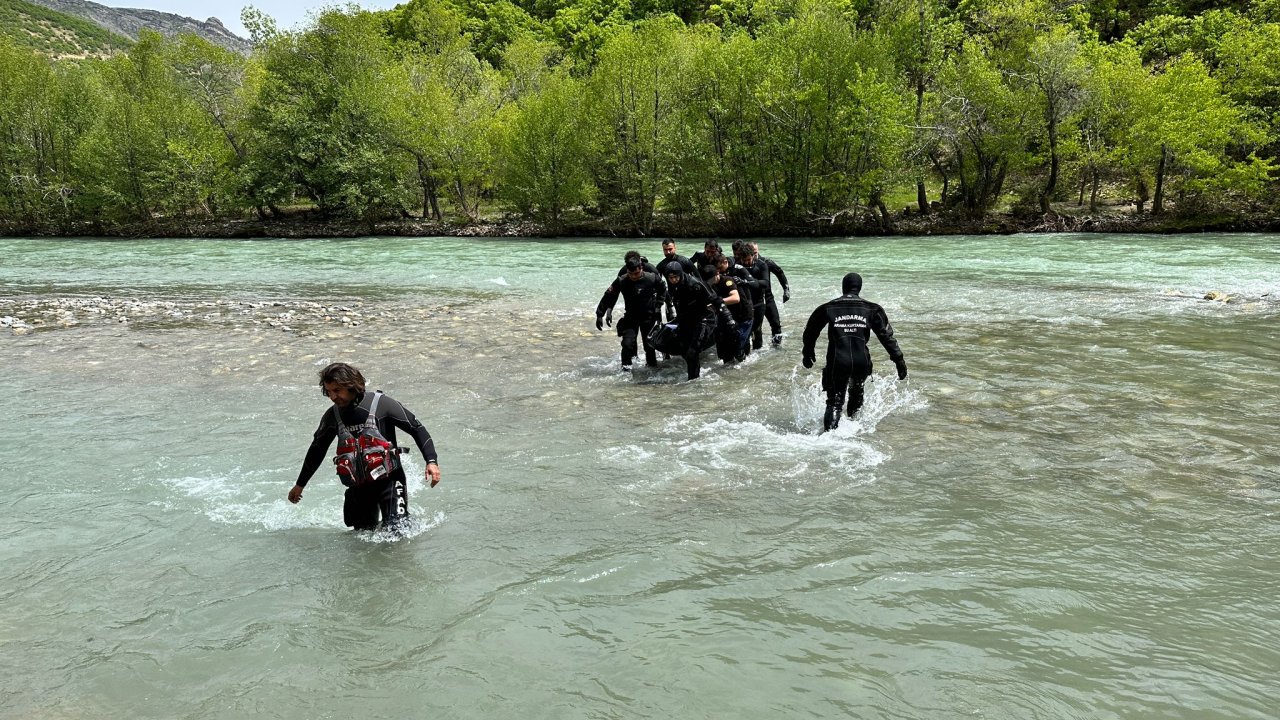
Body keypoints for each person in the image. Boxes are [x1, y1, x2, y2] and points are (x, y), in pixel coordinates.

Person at [288, 362, 442, 530]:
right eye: (329, 391)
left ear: (351, 386)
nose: (332, 397)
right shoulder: (333, 416)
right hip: (359, 487)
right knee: (362, 539)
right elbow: (317, 449)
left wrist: (431, 461)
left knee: (397, 533)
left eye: (337, 390)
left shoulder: (382, 404)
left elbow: (416, 428)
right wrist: (300, 484)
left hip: (390, 482)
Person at [801, 273, 907, 432]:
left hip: (838, 362)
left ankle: (830, 438)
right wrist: (899, 359)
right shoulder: (872, 309)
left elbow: (810, 331)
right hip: (861, 362)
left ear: (843, 287)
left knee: (834, 402)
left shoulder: (828, 307)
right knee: (856, 394)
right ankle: (854, 430)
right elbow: (887, 337)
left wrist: (808, 351)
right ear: (860, 288)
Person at [597, 257, 665, 370]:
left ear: (641, 268)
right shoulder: (622, 280)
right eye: (630, 273)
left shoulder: (651, 278)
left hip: (648, 316)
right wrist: (600, 313)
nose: (633, 276)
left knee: (649, 346)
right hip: (631, 317)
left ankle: (652, 370)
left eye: (636, 273)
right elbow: (610, 295)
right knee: (627, 344)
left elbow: (663, 289)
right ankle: (625, 371)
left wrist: (658, 306)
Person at [665, 263, 727, 380]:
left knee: (692, 352)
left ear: (681, 274)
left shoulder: (696, 284)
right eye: (670, 278)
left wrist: (728, 319)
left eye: (675, 277)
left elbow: (716, 300)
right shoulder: (673, 285)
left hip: (704, 320)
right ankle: (694, 375)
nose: (673, 280)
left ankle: (693, 382)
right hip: (687, 320)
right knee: (684, 350)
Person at [704, 262, 752, 364]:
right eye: (708, 280)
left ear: (717, 274)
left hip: (743, 316)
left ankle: (746, 367)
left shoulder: (727, 280)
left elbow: (735, 298)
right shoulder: (709, 284)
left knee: (738, 349)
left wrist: (719, 301)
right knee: (724, 351)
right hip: (728, 316)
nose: (710, 282)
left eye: (712, 279)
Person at [749, 242, 791, 347]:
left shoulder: (765, 262)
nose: (754, 255)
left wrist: (786, 289)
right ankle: (757, 351)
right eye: (751, 253)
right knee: (756, 327)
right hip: (754, 300)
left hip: (767, 297)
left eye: (755, 253)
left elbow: (779, 272)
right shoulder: (745, 263)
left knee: (776, 324)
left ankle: (777, 348)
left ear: (758, 251)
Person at [656, 239, 697, 322]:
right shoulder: (661, 266)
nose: (668, 252)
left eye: (670, 249)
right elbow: (658, 286)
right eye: (665, 250)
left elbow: (698, 280)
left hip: (688, 297)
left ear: (675, 248)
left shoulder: (685, 262)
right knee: (672, 325)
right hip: (671, 298)